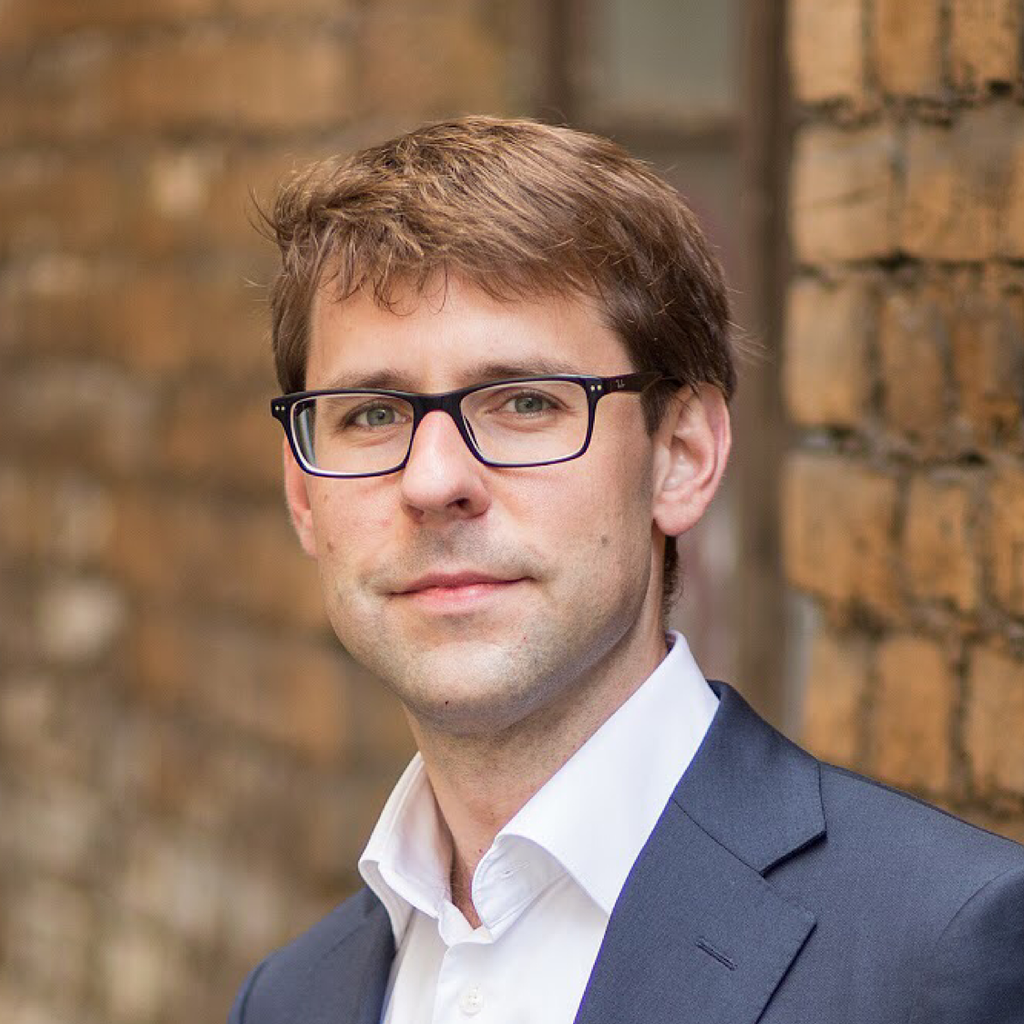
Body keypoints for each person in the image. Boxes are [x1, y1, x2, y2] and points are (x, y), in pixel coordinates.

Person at [228, 116, 1024, 1024]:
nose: (434, 481)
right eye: (371, 414)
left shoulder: (939, 952)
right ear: (303, 494)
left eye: (525, 402)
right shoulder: (289, 1000)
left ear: (681, 456)